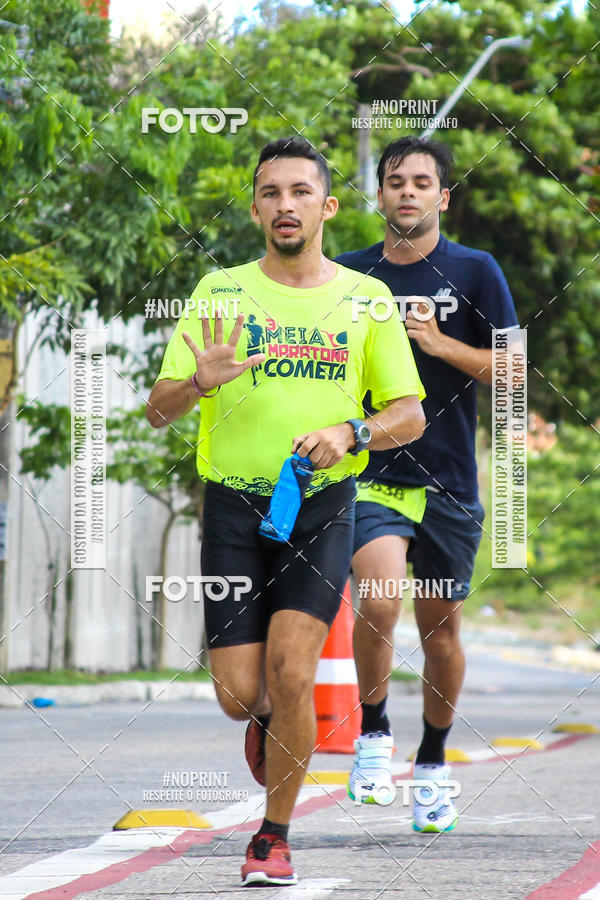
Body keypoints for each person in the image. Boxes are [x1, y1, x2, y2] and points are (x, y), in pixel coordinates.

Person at [146, 136, 425, 885]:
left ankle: (272, 836)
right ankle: (272, 727)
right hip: (234, 512)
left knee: (294, 674)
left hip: (320, 507)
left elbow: (409, 414)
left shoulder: (366, 299)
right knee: (242, 695)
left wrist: (352, 430)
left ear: (327, 207)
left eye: (301, 192)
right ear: (255, 208)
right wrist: (198, 381)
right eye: (271, 193)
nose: (286, 205)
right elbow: (156, 411)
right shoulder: (218, 292)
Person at [335, 136, 518, 833]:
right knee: (378, 600)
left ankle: (434, 762)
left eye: (421, 183)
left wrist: (440, 344)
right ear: (379, 196)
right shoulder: (349, 277)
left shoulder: (475, 272)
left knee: (439, 634)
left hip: (448, 481)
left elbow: (513, 371)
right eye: (394, 182)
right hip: (372, 470)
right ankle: (374, 736)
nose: (406, 192)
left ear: (442, 197)